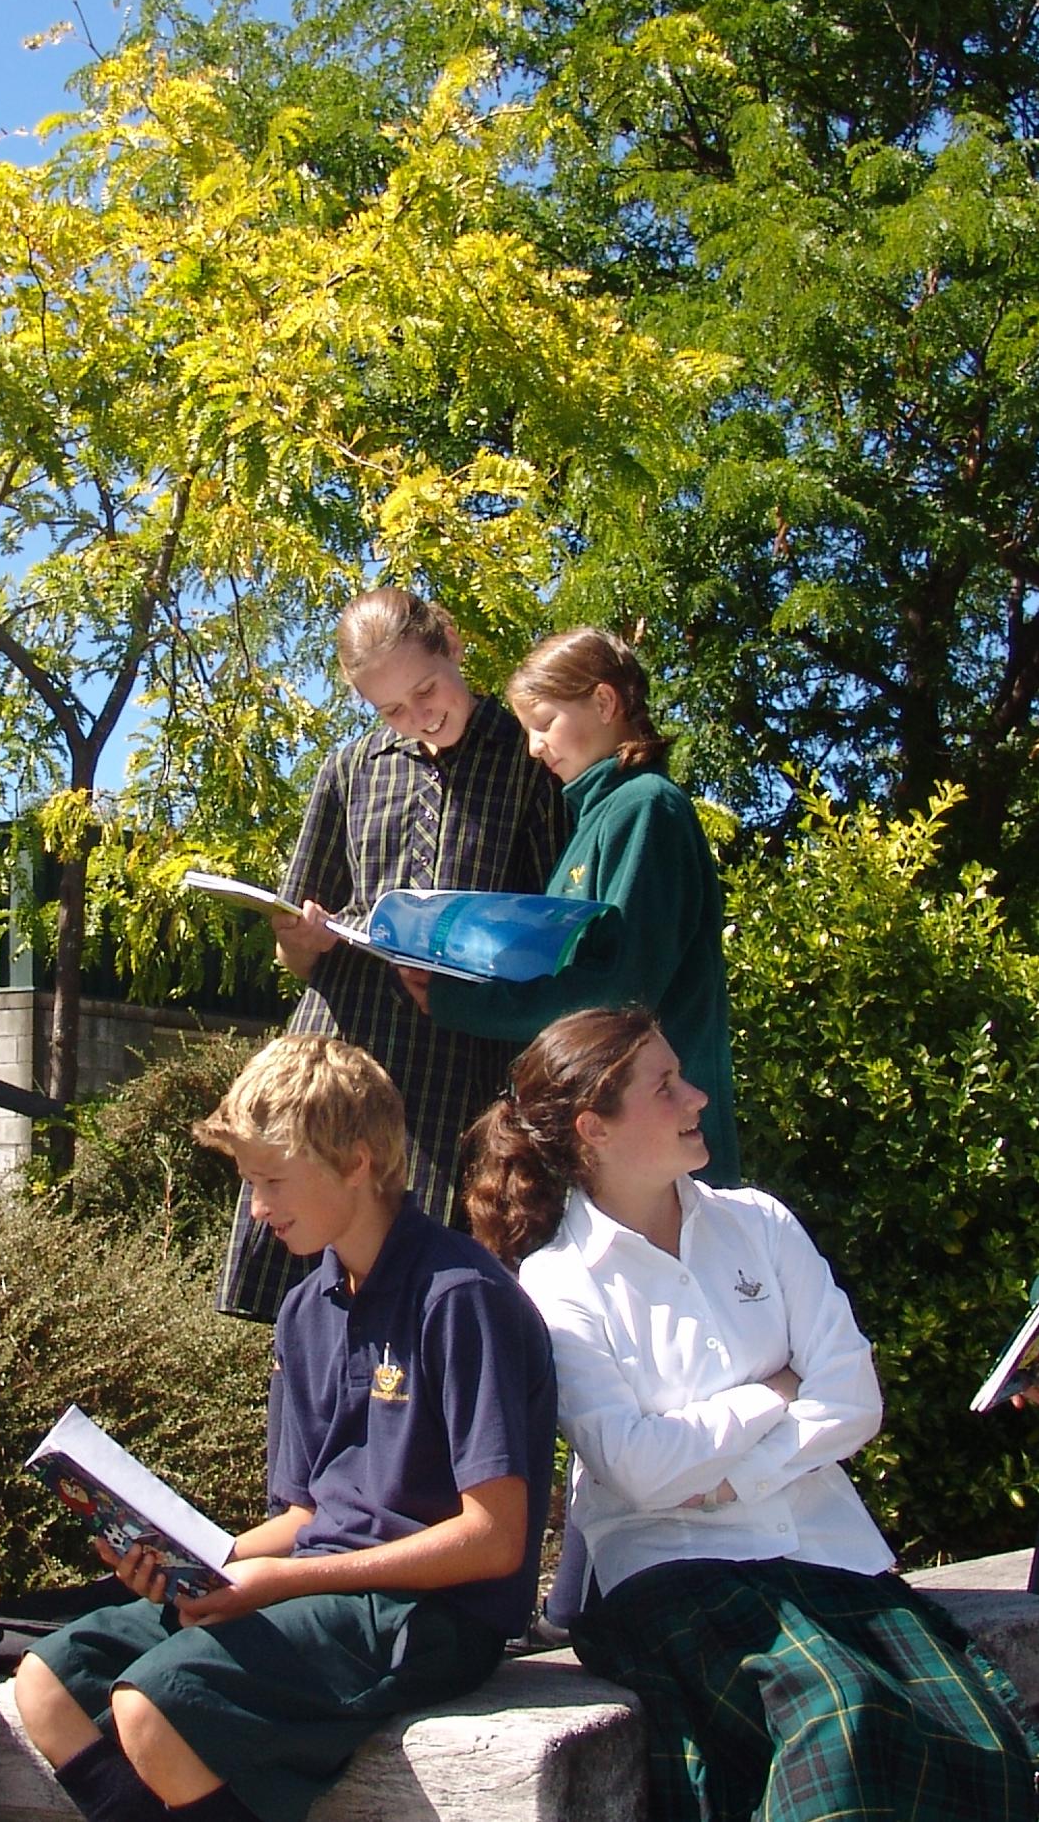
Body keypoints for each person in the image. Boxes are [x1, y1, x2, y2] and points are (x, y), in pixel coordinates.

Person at [466, 1005, 1038, 1822]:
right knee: (841, 1714)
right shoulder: (561, 1282)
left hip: (833, 1557)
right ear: (594, 1128)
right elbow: (638, 1466)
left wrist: (734, 1476)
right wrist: (769, 1392)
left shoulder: (761, 1224)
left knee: (975, 1736)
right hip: (677, 1575)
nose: (697, 1096)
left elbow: (853, 1396)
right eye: (665, 1085)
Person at [16, 1034, 557, 1822]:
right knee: (51, 1680)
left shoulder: (461, 1295)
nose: (258, 1208)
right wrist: (195, 1562)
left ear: (360, 1160)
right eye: (249, 1182)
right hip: (318, 1590)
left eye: (271, 1180)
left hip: (430, 1616)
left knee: (156, 1703)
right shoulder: (305, 1310)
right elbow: (305, 1518)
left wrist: (284, 1580)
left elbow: (495, 1538)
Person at [220, 586, 562, 1322]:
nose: (417, 718)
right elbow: (296, 952)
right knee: (316, 1309)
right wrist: (301, 938)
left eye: (426, 690)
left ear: (453, 643)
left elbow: (553, 938)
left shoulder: (529, 763)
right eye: (389, 710)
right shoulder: (348, 769)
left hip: (456, 1070)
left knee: (435, 1305)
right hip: (341, 1055)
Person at [409, 626, 738, 1188]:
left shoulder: (646, 807)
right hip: (612, 1140)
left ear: (605, 702)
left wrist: (464, 1005)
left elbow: (617, 997)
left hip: (659, 1144)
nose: (535, 748)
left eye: (544, 724)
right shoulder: (598, 818)